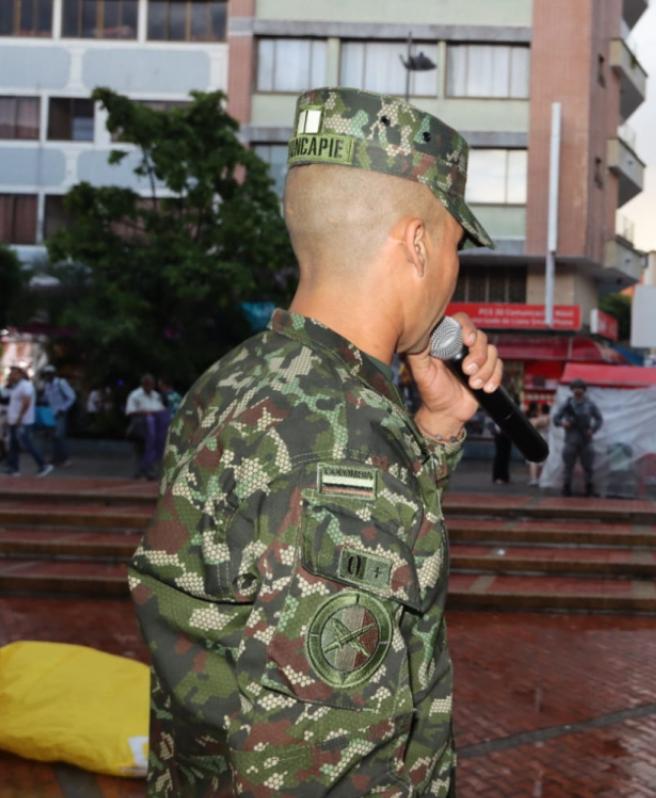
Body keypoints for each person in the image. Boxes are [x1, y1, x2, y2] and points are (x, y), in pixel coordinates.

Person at [127, 86, 503, 797]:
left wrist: (436, 427)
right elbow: (311, 758)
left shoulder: (237, 378)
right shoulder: (343, 443)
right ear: (417, 245)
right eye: (455, 247)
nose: (455, 275)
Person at [553, 378, 603, 497]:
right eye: (575, 388)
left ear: (584, 390)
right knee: (568, 466)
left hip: (586, 439)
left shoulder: (590, 404)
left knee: (588, 467)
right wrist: (563, 424)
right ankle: (566, 488)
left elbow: (599, 419)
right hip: (571, 439)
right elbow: (556, 418)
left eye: (580, 388)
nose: (577, 390)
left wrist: (593, 430)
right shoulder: (567, 404)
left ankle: (589, 489)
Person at [3, 365, 53, 477]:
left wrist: (19, 418)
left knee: (28, 443)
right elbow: (14, 404)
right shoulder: (16, 387)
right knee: (13, 445)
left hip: (23, 422)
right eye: (11, 373)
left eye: (15, 373)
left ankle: (43, 465)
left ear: (21, 374)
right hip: (14, 421)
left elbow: (26, 403)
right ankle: (13, 468)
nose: (12, 375)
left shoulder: (25, 386)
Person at [125, 374, 166, 480]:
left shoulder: (155, 395)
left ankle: (150, 471)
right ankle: (137, 472)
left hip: (155, 424)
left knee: (152, 448)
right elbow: (130, 411)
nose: (150, 386)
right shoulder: (135, 395)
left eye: (151, 384)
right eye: (147, 384)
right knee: (140, 448)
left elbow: (160, 408)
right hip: (141, 423)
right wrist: (146, 413)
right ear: (143, 384)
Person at [41, 365, 76, 467]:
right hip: (51, 414)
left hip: (60, 412)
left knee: (59, 435)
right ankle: (56, 457)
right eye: (46, 374)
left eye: (50, 373)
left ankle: (64, 457)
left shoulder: (61, 383)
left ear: (54, 373)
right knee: (53, 436)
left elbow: (72, 397)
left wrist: (64, 408)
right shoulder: (47, 385)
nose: (48, 376)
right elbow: (47, 398)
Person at [527, 402, 550, 486]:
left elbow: (533, 425)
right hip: (548, 439)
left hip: (538, 439)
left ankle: (534, 479)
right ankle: (542, 478)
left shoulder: (540, 418)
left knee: (534, 461)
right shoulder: (551, 418)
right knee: (544, 461)